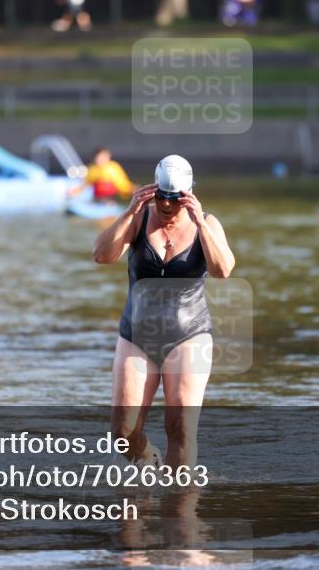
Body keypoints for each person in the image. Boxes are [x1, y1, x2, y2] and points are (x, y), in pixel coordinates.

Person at [93, 155, 235, 469]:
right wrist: (129, 212)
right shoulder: (139, 217)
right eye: (162, 196)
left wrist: (200, 224)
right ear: (154, 190)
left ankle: (182, 496)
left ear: (189, 193)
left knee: (181, 428)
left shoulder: (207, 223)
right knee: (122, 433)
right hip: (137, 335)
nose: (167, 204)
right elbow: (101, 256)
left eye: (175, 197)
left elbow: (223, 270)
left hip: (188, 336)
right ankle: (149, 460)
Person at [70, 148, 135, 202]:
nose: (101, 160)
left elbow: (122, 184)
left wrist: (131, 189)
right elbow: (85, 184)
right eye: (99, 157)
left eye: (103, 157)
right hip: (98, 199)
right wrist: (75, 191)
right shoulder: (93, 169)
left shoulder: (113, 168)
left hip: (110, 198)